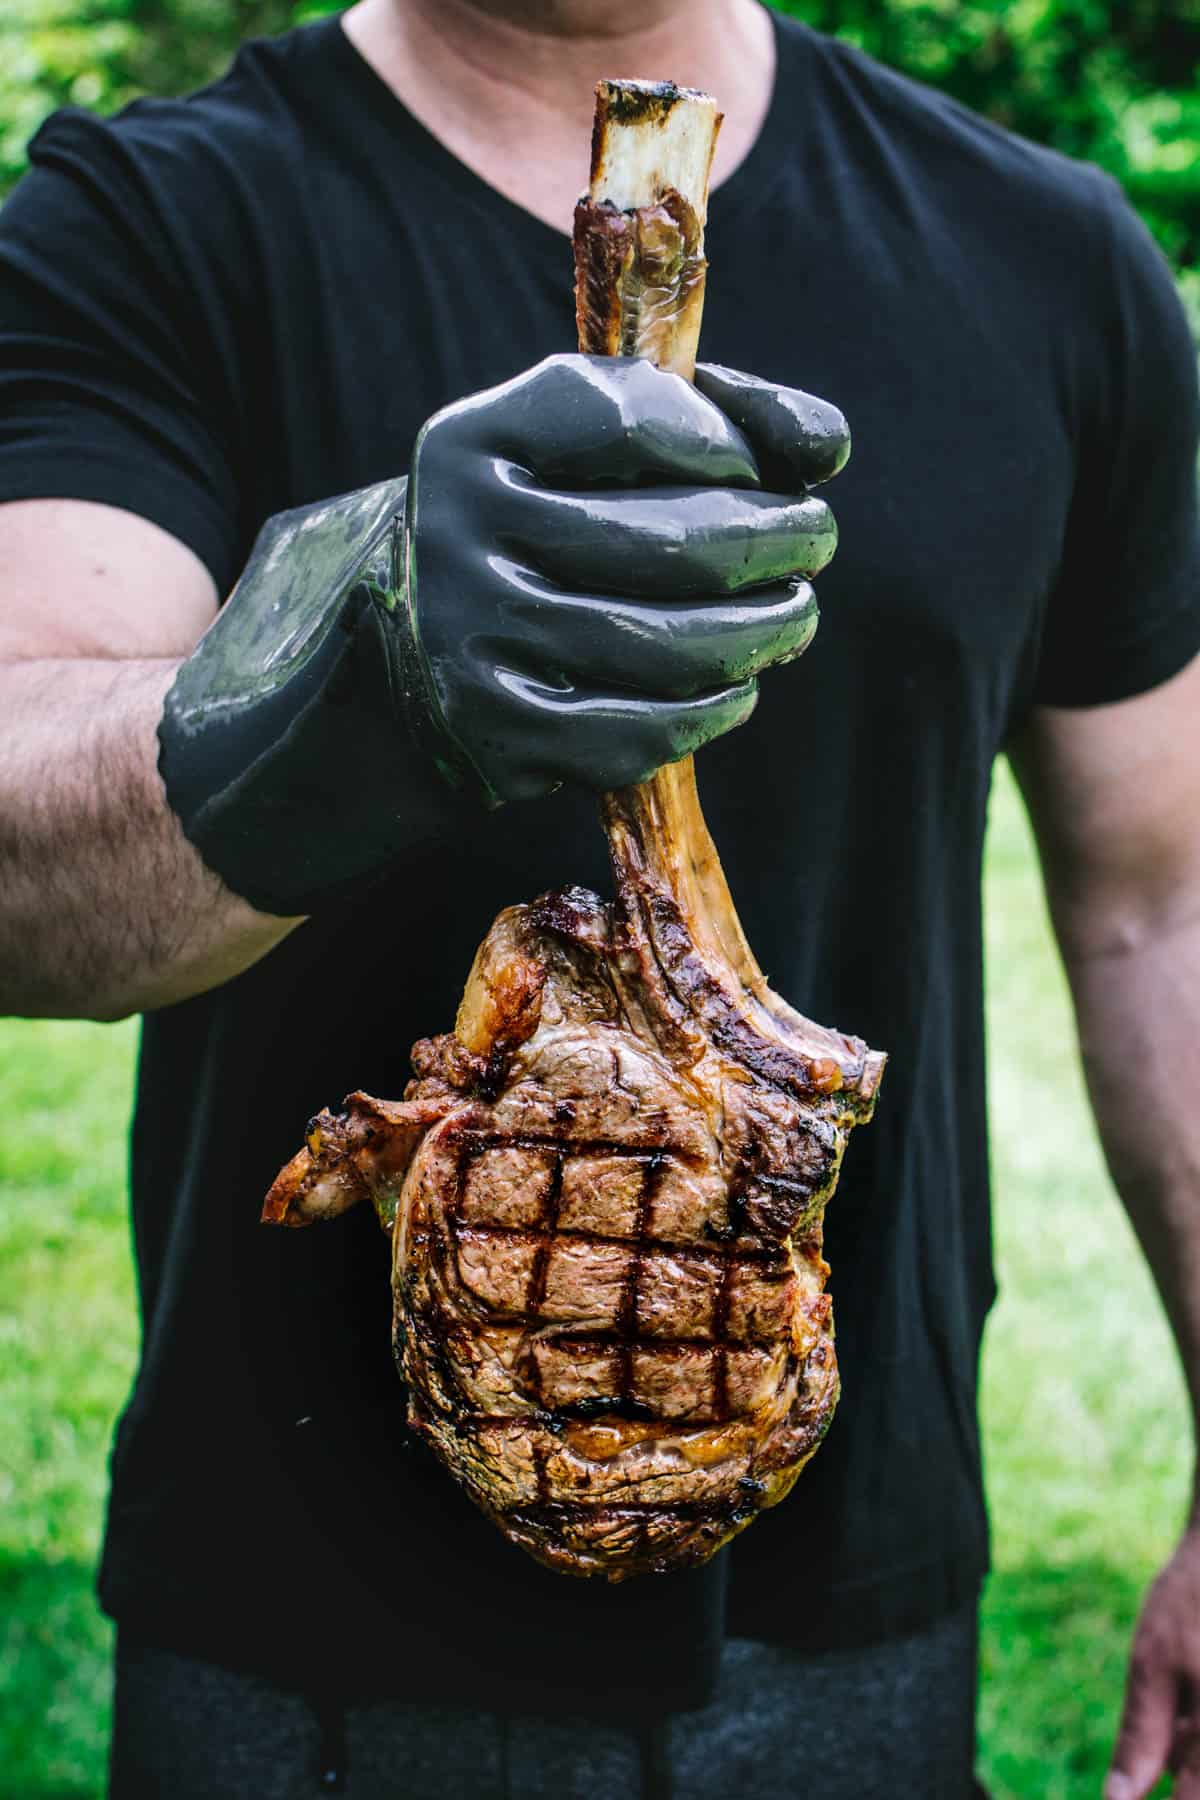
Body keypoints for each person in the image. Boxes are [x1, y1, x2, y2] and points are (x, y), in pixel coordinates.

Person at [1, 0, 1198, 1793]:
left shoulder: (1048, 251)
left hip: (863, 1629)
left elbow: (1161, 910)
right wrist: (366, 656)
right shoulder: (143, 220)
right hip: (299, 1653)